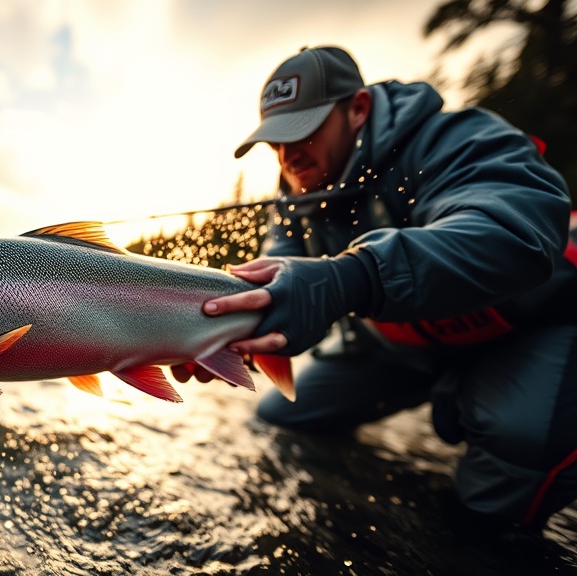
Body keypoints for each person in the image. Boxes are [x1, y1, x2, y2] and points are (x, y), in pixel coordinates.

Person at [187, 46, 577, 531]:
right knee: (281, 414)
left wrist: (354, 276)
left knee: (516, 445)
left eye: (303, 130)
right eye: (276, 142)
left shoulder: (452, 140)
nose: (288, 155)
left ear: (359, 109)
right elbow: (277, 280)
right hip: (398, 344)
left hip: (524, 326)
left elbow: (517, 234)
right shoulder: (296, 199)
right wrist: (220, 328)